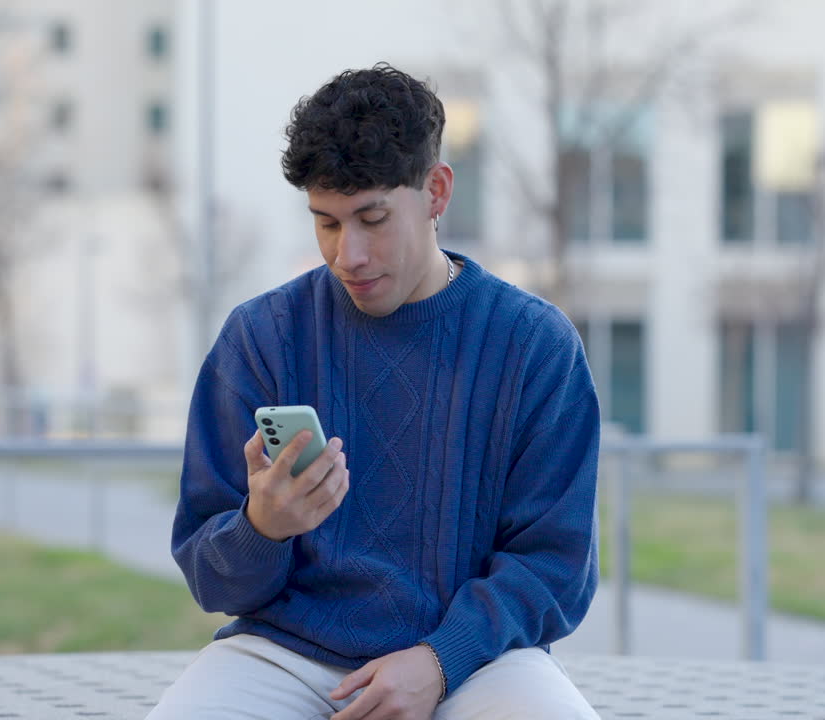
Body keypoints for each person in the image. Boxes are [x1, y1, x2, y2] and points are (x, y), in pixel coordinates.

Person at [147, 63, 601, 720]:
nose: (347, 254)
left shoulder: (534, 344)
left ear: (436, 190)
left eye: (372, 217)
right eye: (326, 223)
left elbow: (555, 565)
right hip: (286, 652)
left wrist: (440, 660)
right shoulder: (262, 336)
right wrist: (261, 529)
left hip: (476, 659)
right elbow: (210, 575)